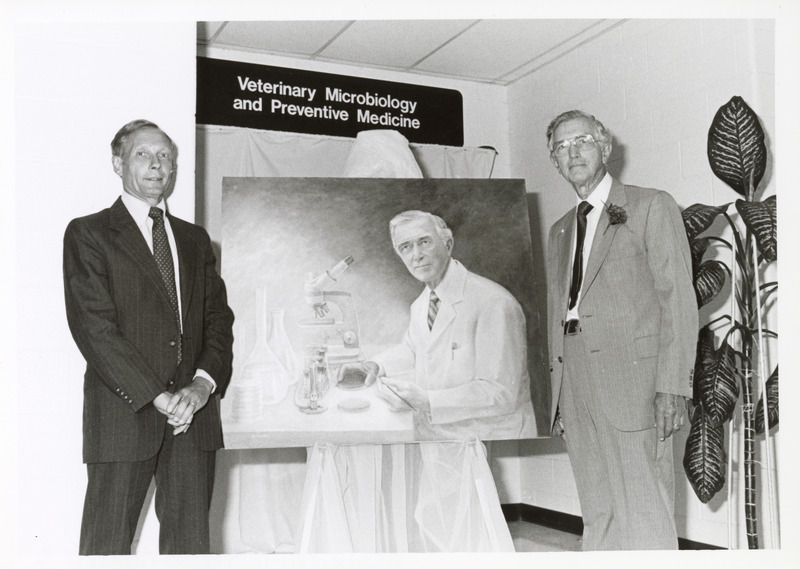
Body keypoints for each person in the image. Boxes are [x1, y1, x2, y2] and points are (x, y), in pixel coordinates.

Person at [63, 119, 234, 555]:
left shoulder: (196, 241)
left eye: (165, 156)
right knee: (106, 547)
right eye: (143, 154)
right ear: (118, 162)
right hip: (125, 415)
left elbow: (219, 321)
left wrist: (200, 386)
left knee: (190, 548)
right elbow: (94, 329)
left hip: (192, 421)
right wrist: (157, 396)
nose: (157, 165)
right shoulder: (89, 233)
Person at [545, 110, 697, 550]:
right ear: (554, 161)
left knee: (644, 504)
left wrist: (673, 386)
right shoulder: (559, 231)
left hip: (634, 378)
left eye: (582, 142)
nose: (572, 152)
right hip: (574, 378)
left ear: (605, 148)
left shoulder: (650, 205)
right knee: (597, 506)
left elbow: (678, 301)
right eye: (561, 147)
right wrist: (555, 394)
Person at [344, 210, 535, 441]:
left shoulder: (494, 303)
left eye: (424, 242)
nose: (416, 255)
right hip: (437, 434)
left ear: (448, 244)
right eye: (405, 247)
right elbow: (413, 350)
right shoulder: (422, 304)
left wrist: (427, 401)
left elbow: (501, 394)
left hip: (489, 438)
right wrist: (373, 365)